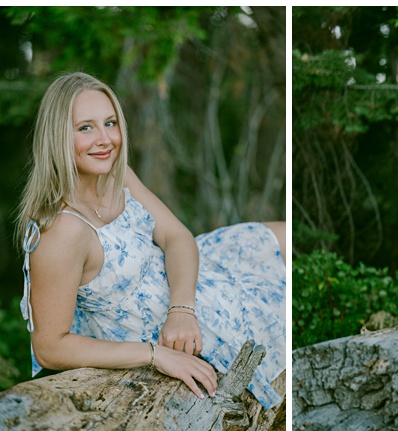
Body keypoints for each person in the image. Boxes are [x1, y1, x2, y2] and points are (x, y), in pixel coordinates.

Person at [16, 72, 286, 409]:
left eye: (110, 123)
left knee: (283, 238)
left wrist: (182, 309)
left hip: (184, 291)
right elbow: (50, 347)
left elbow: (176, 236)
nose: (105, 139)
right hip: (152, 337)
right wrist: (156, 355)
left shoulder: (118, 177)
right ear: (57, 137)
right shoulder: (60, 232)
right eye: (85, 128)